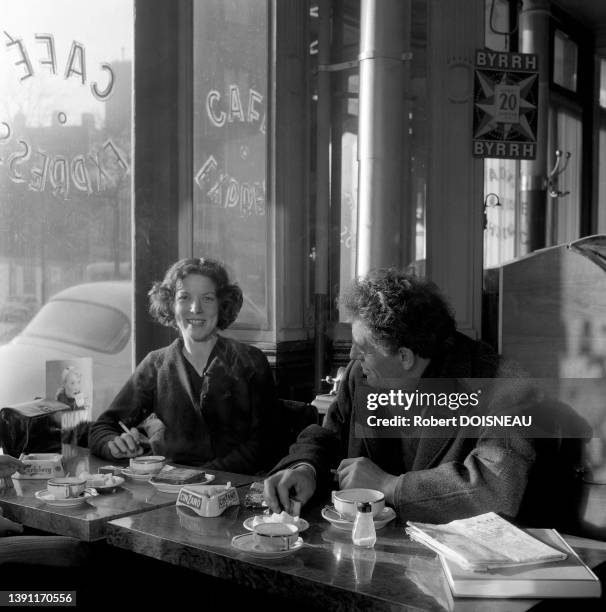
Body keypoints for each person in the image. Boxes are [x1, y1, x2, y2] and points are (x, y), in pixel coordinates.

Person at [264, 268, 588, 525]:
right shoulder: (360, 374)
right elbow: (329, 435)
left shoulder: (503, 385)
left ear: (404, 357)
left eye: (362, 349)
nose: (351, 355)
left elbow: (495, 489)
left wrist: (392, 486)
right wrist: (307, 467)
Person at [89, 257, 282, 473]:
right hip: (169, 490)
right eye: (184, 297)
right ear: (171, 305)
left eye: (207, 298)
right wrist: (113, 444)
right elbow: (102, 428)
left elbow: (266, 445)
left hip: (234, 487)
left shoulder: (251, 361)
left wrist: (199, 478)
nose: (195, 308)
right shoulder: (156, 364)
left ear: (222, 304)